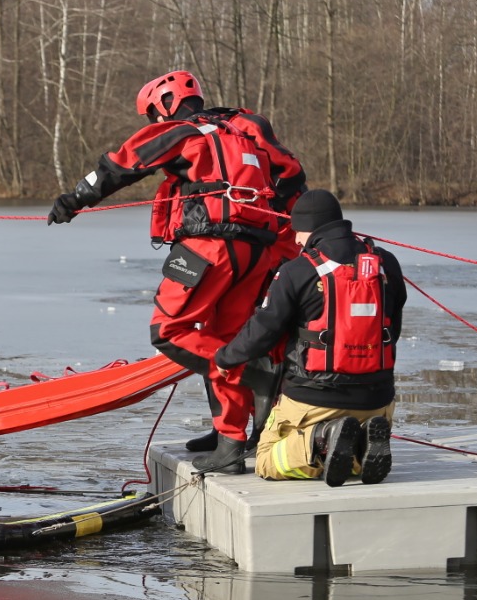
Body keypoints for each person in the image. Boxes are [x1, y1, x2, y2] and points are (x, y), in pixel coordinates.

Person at [48, 70, 307, 474]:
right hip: (258, 251)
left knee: (169, 332)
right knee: (224, 337)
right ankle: (230, 438)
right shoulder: (247, 126)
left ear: (164, 106)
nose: (154, 121)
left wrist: (73, 200)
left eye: (153, 113)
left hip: (208, 248)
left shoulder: (180, 132)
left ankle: (244, 374)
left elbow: (120, 165)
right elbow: (292, 175)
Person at [213, 189, 405, 485]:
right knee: (348, 464)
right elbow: (394, 329)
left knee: (267, 459)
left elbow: (263, 329)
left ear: (308, 227)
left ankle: (321, 439)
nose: (296, 240)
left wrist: (226, 357)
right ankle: (361, 443)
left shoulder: (297, 270)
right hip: (377, 398)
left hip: (312, 399)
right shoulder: (386, 264)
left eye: (297, 232)